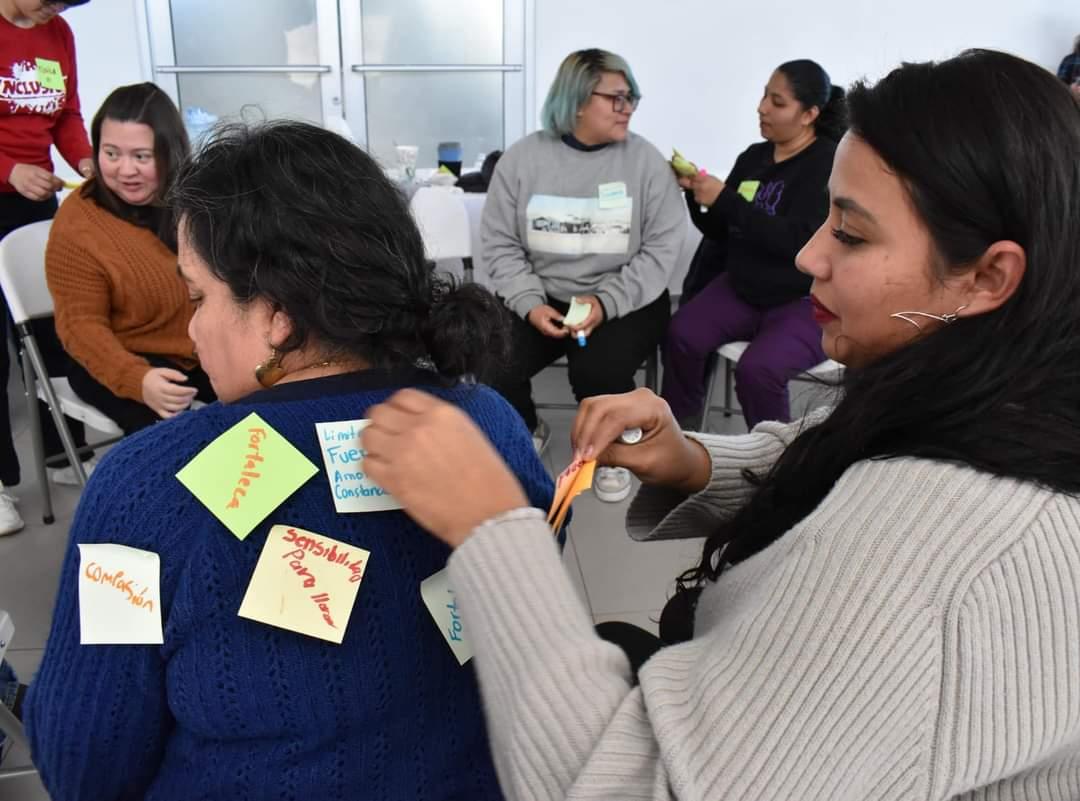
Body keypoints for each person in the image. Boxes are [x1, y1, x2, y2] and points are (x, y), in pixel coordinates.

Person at [362, 50, 1080, 800]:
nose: (811, 254)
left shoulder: (917, 561)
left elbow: (624, 787)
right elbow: (846, 451)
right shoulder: (996, 399)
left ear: (989, 276)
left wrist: (492, 525)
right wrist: (698, 463)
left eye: (852, 235)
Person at [24, 121, 553, 801]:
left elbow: (84, 763)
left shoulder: (143, 488)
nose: (190, 329)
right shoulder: (491, 423)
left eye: (197, 297)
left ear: (277, 315)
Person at [483, 47, 684, 503]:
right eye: (615, 97)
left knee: (599, 369)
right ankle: (528, 428)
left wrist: (605, 302)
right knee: (492, 355)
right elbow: (499, 243)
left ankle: (612, 451)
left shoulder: (645, 163)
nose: (628, 107)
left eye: (632, 96)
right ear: (576, 100)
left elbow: (661, 251)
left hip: (625, 299)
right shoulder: (523, 160)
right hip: (543, 294)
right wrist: (530, 304)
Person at [661, 59, 845, 429]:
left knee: (758, 370)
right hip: (743, 288)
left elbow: (797, 243)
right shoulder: (754, 157)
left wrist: (726, 200)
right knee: (681, 334)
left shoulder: (828, 164)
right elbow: (722, 229)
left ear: (809, 114)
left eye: (777, 102)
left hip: (802, 300)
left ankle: (772, 463)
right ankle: (678, 433)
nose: (761, 107)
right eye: (764, 96)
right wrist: (697, 196)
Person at [46, 82, 215, 435]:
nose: (125, 170)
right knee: (179, 445)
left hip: (199, 350)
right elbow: (80, 327)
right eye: (110, 154)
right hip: (118, 360)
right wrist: (137, 379)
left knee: (266, 414)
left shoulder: (195, 200)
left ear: (170, 153)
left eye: (141, 156)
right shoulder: (79, 225)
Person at [0, 0, 94, 536]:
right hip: (7, 185)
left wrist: (85, 158)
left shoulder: (57, 33)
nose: (51, 11)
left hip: (35, 197)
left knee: (55, 330)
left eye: (64, 5)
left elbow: (66, 115)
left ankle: (64, 454)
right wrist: (10, 170)